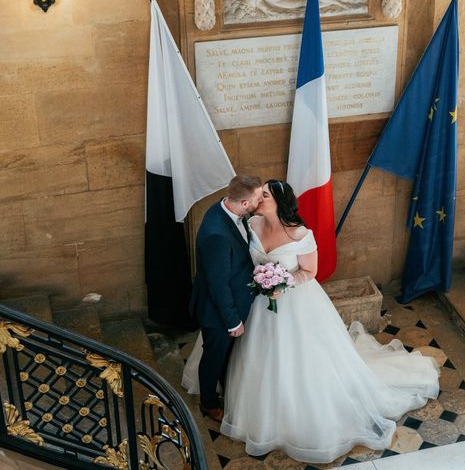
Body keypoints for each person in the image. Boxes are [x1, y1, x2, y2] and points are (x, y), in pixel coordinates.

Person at [183, 180, 439, 463]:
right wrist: (261, 283)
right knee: (248, 354)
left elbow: (310, 271)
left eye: (264, 195)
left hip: (293, 305)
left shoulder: (301, 235)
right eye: (258, 195)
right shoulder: (251, 224)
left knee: (297, 361)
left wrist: (282, 283)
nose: (258, 199)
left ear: (279, 201)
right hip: (253, 304)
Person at [185, 174, 263, 423]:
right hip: (217, 312)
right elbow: (218, 285)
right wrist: (232, 321)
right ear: (243, 203)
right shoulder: (216, 234)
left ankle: (226, 388)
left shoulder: (227, 207)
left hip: (233, 300)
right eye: (258, 198)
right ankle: (209, 403)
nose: (260, 201)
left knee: (226, 356)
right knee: (214, 356)